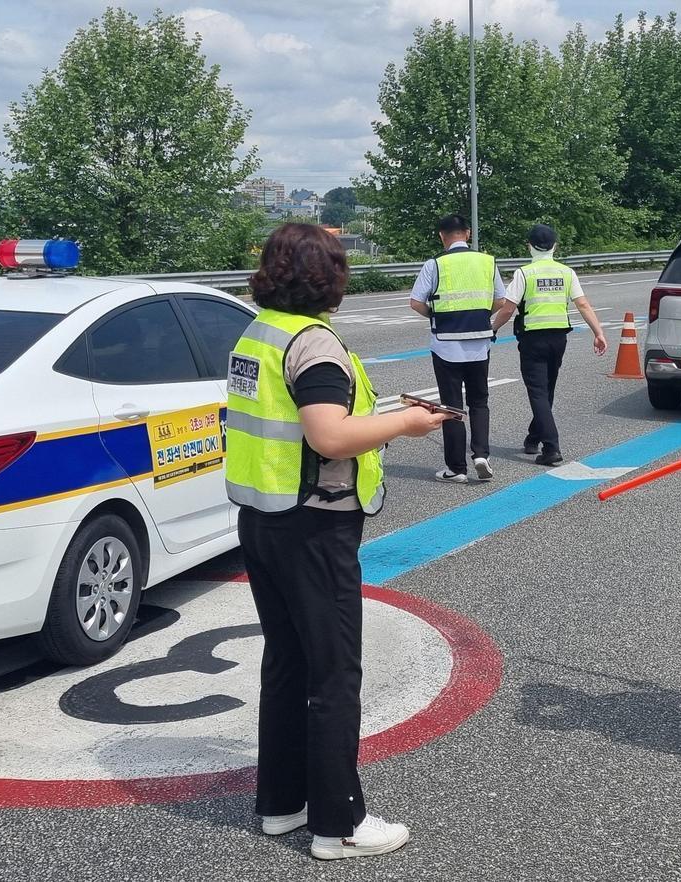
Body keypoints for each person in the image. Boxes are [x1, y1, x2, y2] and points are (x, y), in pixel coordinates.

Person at [225, 223, 449, 859]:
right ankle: (339, 825)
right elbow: (328, 435)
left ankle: (282, 803)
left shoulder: (258, 330)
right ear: (329, 278)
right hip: (314, 524)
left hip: (263, 516)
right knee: (333, 672)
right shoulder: (314, 345)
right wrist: (405, 422)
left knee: (287, 661)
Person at [492, 224, 608, 466]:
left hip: (533, 339)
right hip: (558, 339)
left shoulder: (524, 273)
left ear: (530, 246)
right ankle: (533, 438)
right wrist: (598, 332)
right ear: (555, 246)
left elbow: (509, 308)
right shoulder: (567, 272)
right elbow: (583, 305)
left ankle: (551, 447)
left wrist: (491, 329)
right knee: (547, 390)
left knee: (538, 392)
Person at [408, 213, 507, 483]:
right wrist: (479, 313)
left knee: (451, 406)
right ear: (468, 233)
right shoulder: (487, 261)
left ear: (442, 236)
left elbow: (416, 302)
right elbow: (501, 300)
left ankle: (456, 469)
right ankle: (481, 454)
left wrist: (437, 315)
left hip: (445, 345)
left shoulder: (435, 264)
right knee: (479, 401)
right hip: (479, 342)